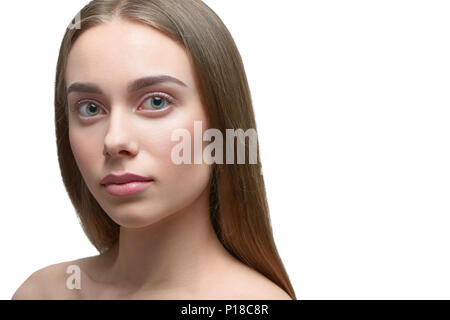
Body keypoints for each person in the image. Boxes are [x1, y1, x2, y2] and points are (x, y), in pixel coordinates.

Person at [12, 0, 296, 300]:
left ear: (220, 122)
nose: (114, 140)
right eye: (90, 108)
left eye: (156, 101)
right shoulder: (43, 293)